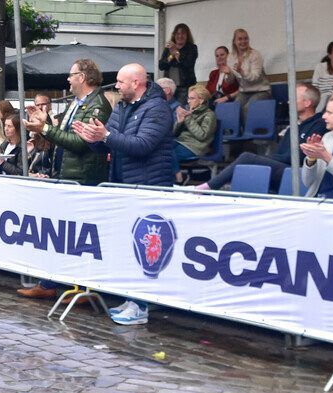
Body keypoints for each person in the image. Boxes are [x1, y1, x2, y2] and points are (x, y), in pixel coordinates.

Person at [72, 63, 174, 325]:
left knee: (145, 248)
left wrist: (105, 135)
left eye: (120, 82)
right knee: (129, 247)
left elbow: (143, 145)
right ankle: (132, 298)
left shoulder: (157, 109)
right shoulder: (122, 106)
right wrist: (93, 139)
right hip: (122, 184)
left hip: (148, 185)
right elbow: (112, 142)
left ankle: (141, 305)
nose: (116, 86)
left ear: (137, 83)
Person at [17, 58, 112, 301]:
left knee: (80, 237)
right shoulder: (77, 103)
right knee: (61, 235)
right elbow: (64, 135)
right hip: (68, 174)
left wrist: (46, 130)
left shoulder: (97, 104)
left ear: (83, 77)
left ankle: (82, 288)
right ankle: (49, 282)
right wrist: (44, 122)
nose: (68, 79)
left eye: (71, 75)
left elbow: (81, 143)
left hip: (83, 177)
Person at [197, 83, 327, 192]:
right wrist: (265, 159)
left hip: (298, 173)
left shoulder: (318, 124)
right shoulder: (294, 125)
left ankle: (207, 187)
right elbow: (281, 153)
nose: (288, 101)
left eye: (293, 97)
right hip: (284, 167)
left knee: (248, 157)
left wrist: (264, 159)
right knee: (250, 161)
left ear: (307, 103)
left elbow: (299, 157)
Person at [172, 84, 217, 184]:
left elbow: (202, 136)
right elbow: (173, 134)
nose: (188, 101)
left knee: (167, 153)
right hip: (181, 142)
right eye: (188, 98)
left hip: (194, 147)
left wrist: (188, 118)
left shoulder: (209, 115)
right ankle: (177, 177)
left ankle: (178, 178)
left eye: (192, 98)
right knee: (160, 147)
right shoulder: (190, 112)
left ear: (201, 100)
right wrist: (179, 122)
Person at [224, 29, 271, 119]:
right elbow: (230, 81)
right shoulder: (230, 57)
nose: (243, 41)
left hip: (261, 91)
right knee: (235, 109)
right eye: (240, 39)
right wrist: (229, 74)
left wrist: (241, 71)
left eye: (245, 38)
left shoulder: (255, 55)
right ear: (234, 41)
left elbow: (255, 77)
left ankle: (248, 133)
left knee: (248, 108)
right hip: (244, 92)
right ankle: (240, 132)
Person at [157, 23, 198, 105]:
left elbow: (188, 64)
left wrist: (175, 52)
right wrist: (171, 55)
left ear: (187, 35)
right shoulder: (169, 48)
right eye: (178, 33)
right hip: (169, 87)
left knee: (181, 110)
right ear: (174, 35)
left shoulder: (192, 48)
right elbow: (161, 66)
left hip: (185, 87)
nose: (180, 36)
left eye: (183, 33)